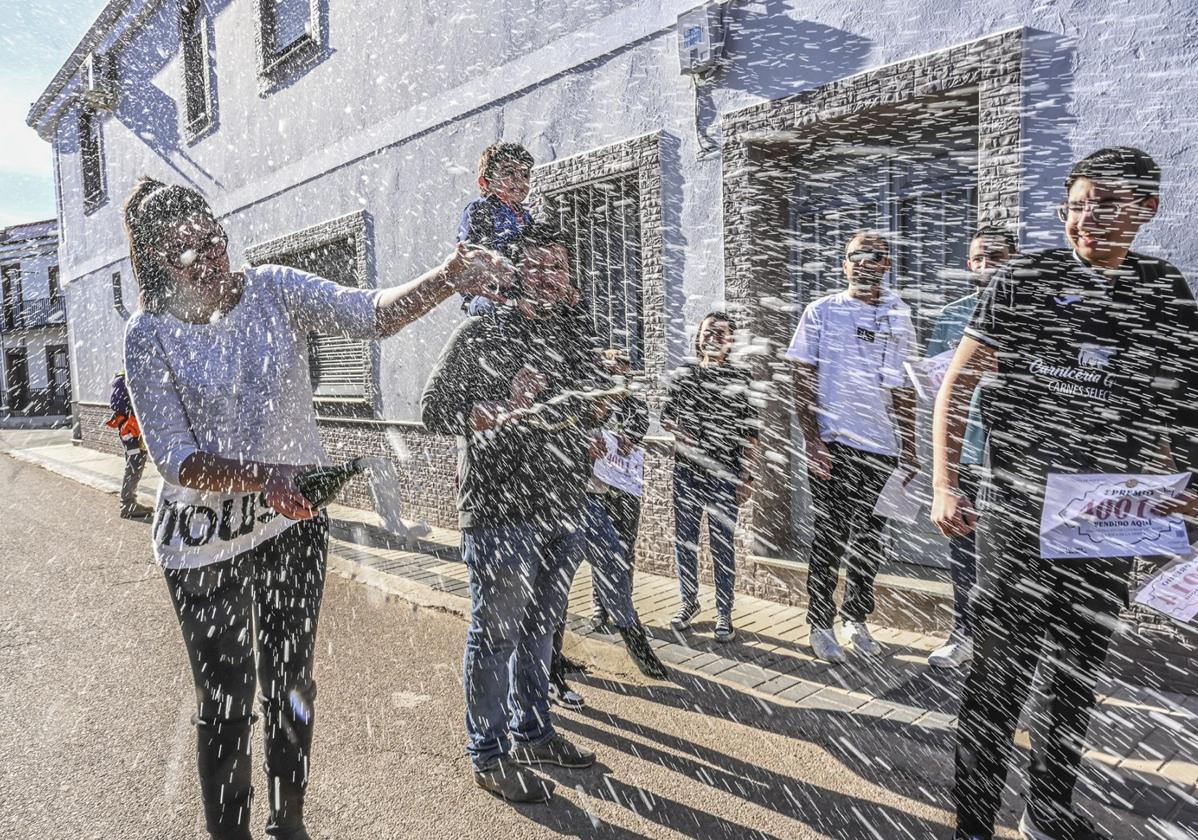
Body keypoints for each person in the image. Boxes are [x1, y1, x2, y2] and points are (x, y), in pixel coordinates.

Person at [122, 177, 510, 840]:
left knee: (292, 684)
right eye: (190, 251)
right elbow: (177, 461)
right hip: (202, 541)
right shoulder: (149, 334)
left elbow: (371, 314)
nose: (212, 258)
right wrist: (266, 475)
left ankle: (289, 823)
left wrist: (447, 278)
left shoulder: (272, 288)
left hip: (291, 525)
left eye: (214, 238)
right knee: (225, 703)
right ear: (162, 260)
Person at [932, 147, 1198, 840]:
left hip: (1113, 511)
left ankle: (1046, 815)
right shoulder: (1027, 276)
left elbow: (1187, 403)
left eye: (1105, 204)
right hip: (1021, 506)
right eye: (1076, 205)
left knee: (1076, 674)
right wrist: (944, 482)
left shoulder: (1164, 289)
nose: (1086, 219)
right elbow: (955, 384)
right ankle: (974, 826)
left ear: (1147, 210)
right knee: (998, 677)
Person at [421, 223, 606, 804]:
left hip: (565, 503)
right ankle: (489, 752)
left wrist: (601, 419)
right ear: (518, 271)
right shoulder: (480, 333)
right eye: (540, 265)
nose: (551, 276)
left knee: (542, 628)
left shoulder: (576, 333)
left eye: (561, 265)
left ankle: (534, 732)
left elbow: (592, 399)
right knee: (496, 632)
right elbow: (433, 409)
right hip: (501, 510)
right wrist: (480, 409)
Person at [787, 231, 918, 664]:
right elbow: (801, 376)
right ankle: (819, 623)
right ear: (844, 265)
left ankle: (855, 619)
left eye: (873, 256)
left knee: (869, 540)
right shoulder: (822, 311)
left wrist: (911, 449)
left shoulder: (899, 314)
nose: (863, 263)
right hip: (834, 445)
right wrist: (813, 440)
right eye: (853, 257)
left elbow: (904, 387)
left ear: (886, 264)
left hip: (881, 448)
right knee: (829, 538)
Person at [547, 347, 669, 710]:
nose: (609, 409)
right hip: (569, 505)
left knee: (616, 562)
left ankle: (633, 638)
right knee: (556, 587)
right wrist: (580, 449)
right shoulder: (569, 411)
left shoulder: (615, 409)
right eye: (604, 402)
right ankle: (550, 673)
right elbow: (551, 450)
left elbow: (630, 431)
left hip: (595, 502)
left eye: (613, 402)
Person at [923, 225, 1016, 671]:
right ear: (969, 265)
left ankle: (1010, 642)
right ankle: (965, 633)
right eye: (979, 258)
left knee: (1015, 556)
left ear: (1015, 258)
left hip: (1019, 459)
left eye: (996, 256)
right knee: (964, 550)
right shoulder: (951, 316)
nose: (987, 264)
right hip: (972, 452)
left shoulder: (1033, 309)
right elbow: (941, 385)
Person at [662, 311, 760, 643]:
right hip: (687, 472)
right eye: (707, 331)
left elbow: (751, 433)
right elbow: (665, 417)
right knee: (685, 542)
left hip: (725, 474)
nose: (713, 337)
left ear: (731, 341)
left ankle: (723, 613)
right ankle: (688, 603)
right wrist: (679, 432)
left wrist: (747, 475)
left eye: (721, 333)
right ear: (698, 337)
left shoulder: (741, 378)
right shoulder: (684, 374)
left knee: (722, 545)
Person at [457, 142, 535, 315]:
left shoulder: (526, 217)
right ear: (485, 182)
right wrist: (500, 266)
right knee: (506, 309)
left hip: (521, 287)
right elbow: (475, 254)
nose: (519, 180)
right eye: (509, 172)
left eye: (525, 174)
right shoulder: (481, 210)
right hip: (487, 293)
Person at [106, 370, 153, 520]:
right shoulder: (123, 378)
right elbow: (118, 404)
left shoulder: (126, 377)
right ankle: (127, 504)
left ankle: (129, 502)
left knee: (137, 460)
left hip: (132, 429)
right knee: (134, 461)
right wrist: (133, 414)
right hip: (129, 429)